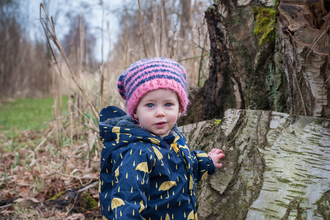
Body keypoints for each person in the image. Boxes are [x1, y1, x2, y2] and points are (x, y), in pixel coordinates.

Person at [99, 57, 225, 220]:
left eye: (168, 104)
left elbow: (176, 169)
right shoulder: (135, 151)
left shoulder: (172, 139)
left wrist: (204, 162)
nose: (160, 112)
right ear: (135, 112)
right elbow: (126, 203)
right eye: (150, 105)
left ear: (180, 108)